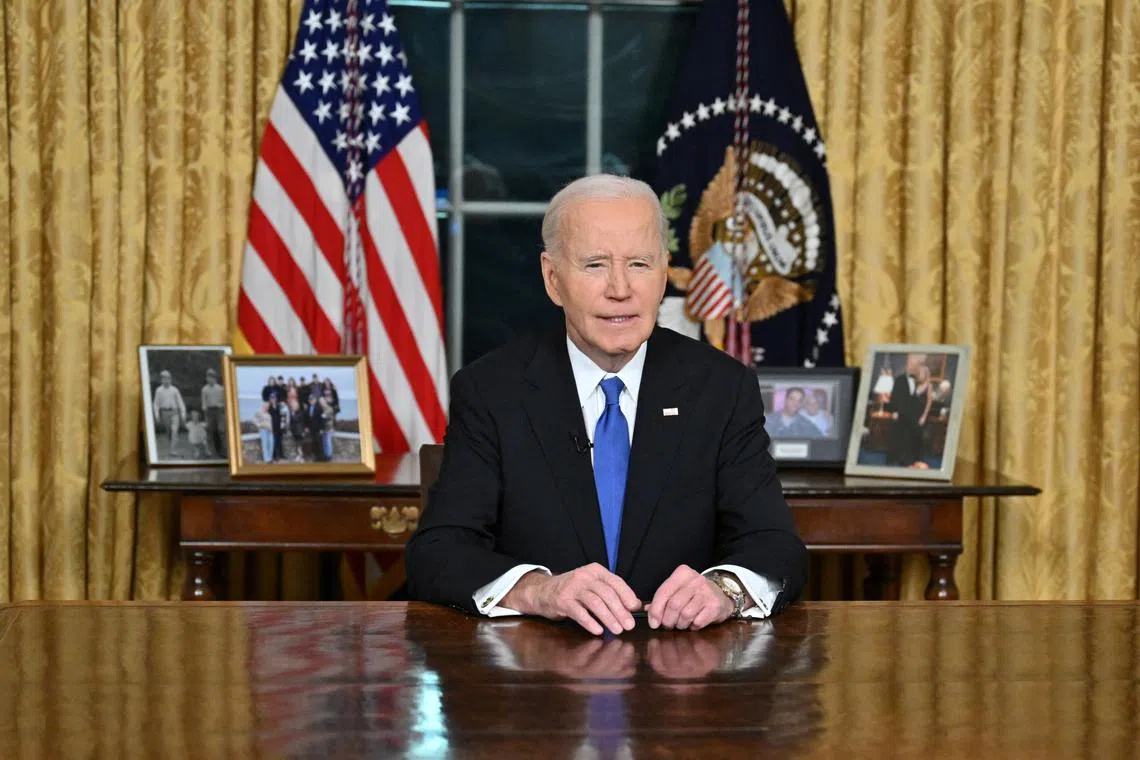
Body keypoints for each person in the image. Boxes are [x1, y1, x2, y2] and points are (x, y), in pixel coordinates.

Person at [407, 174, 806, 637]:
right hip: (535, 679)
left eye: (639, 263)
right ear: (553, 279)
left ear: (663, 275)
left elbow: (776, 545)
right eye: (595, 265)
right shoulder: (491, 390)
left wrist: (724, 589)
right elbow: (438, 550)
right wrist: (540, 590)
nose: (620, 288)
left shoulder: (722, 388)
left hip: (684, 680)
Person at [884, 354, 928, 467]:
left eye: (915, 365)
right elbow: (898, 402)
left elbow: (923, 403)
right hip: (903, 420)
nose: (912, 367)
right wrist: (917, 393)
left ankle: (914, 462)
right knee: (901, 441)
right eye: (910, 364)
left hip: (915, 420)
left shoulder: (921, 382)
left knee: (916, 441)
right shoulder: (899, 380)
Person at [152, 370, 186, 456]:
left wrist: (183, 413)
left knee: (174, 430)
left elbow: (180, 402)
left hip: (174, 412)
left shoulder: (174, 390)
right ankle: (172, 446)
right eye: (164, 378)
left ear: (170, 379)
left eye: (167, 378)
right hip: (164, 413)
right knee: (169, 432)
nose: (166, 380)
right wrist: (157, 415)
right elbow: (156, 404)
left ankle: (173, 450)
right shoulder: (159, 390)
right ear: (161, 380)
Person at [200, 368, 226, 457]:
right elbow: (204, 402)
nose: (210, 379)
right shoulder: (204, 389)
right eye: (208, 377)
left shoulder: (220, 389)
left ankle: (224, 451)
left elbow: (224, 401)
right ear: (206, 378)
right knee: (210, 431)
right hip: (209, 411)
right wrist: (205, 413)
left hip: (219, 411)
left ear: (215, 378)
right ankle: (212, 451)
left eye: (212, 377)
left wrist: (222, 409)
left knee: (221, 430)